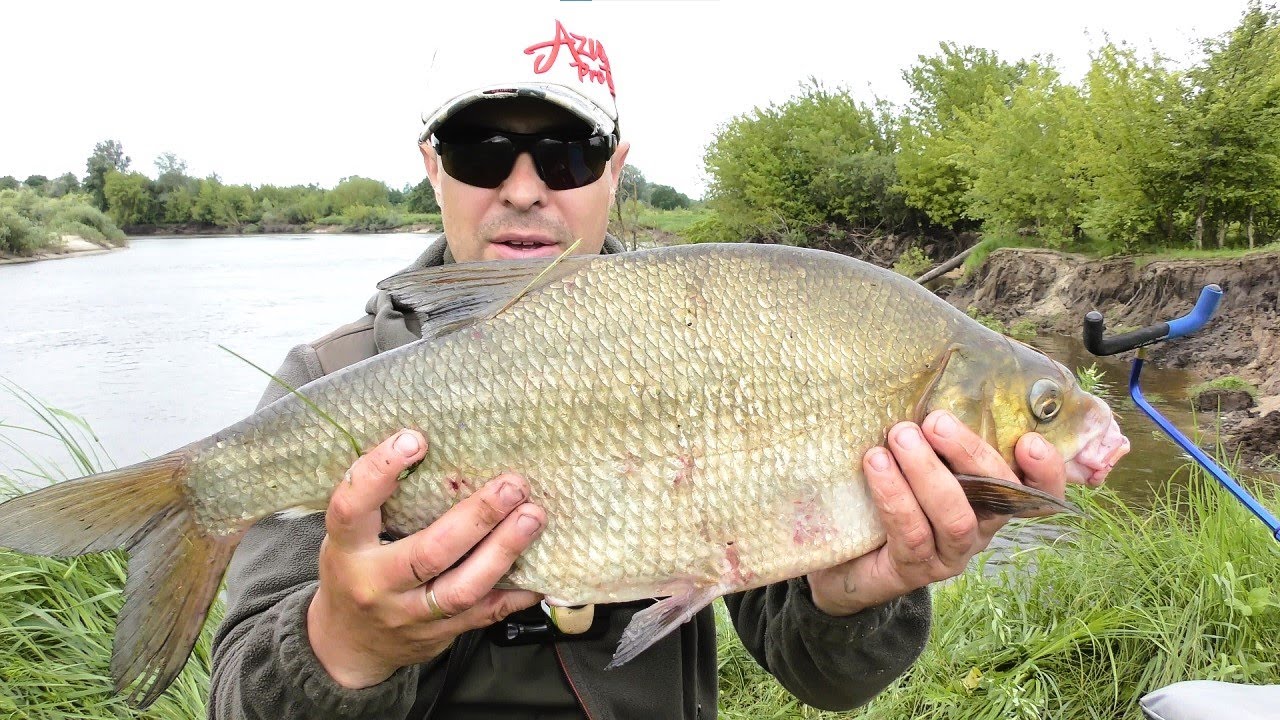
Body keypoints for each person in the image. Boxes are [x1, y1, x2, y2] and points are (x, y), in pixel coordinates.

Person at [207, 17, 1096, 720]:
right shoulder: (326, 383)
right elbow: (237, 703)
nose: (524, 187)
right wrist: (343, 646)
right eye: (482, 149)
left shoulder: (725, 338)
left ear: (615, 169)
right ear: (432, 167)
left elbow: (823, 679)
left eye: (567, 153)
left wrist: (859, 597)